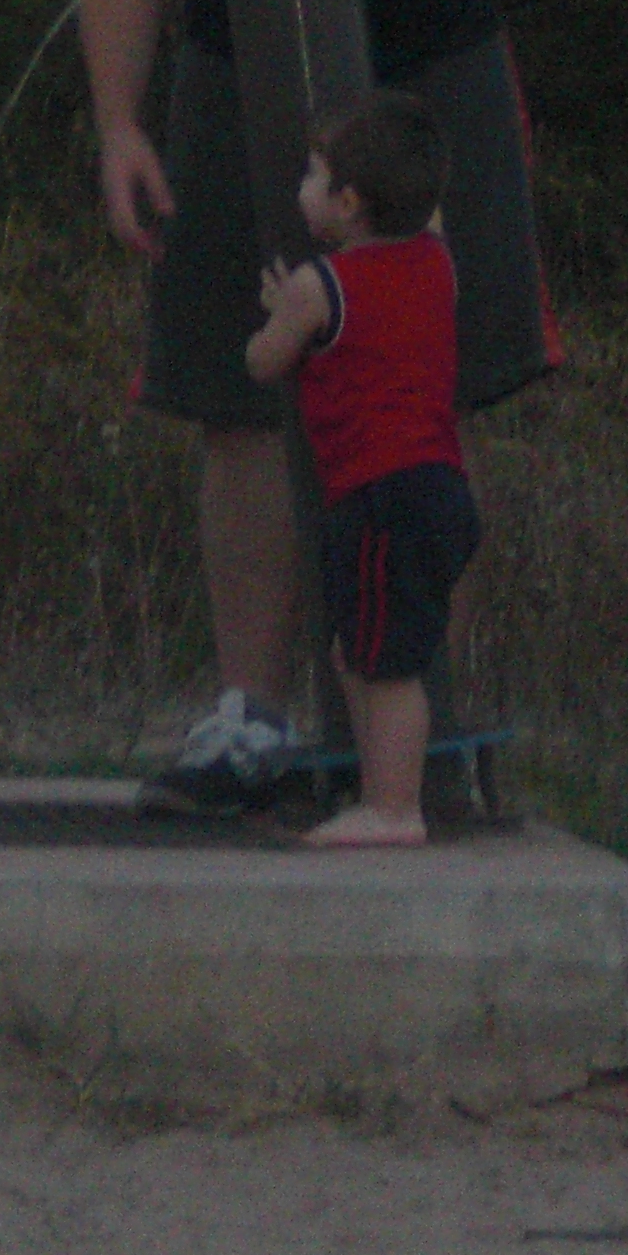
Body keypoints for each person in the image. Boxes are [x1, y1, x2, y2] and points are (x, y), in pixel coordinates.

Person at [53, 0, 554, 812]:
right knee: (237, 386)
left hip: (418, 53)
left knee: (420, 381)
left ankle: (414, 716)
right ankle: (250, 719)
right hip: (244, 72)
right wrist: (119, 123)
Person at [246, 96, 481, 847]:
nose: (303, 187)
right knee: (360, 651)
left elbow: (263, 362)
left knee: (388, 668)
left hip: (384, 493)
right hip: (436, 484)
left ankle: (394, 808)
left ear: (347, 203)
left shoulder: (320, 286)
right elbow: (427, 214)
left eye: (315, 176)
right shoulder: (437, 262)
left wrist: (278, 312)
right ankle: (381, 792)